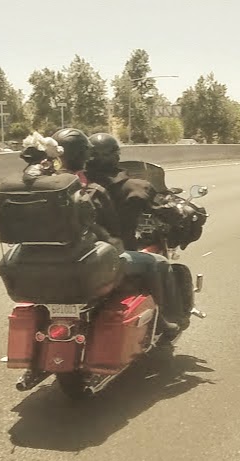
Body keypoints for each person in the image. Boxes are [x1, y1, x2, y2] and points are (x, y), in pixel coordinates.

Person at [85, 132, 186, 333]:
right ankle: (164, 320)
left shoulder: (74, 186)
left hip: (77, 255)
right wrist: (179, 214)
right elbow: (164, 211)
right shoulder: (135, 187)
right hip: (113, 256)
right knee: (159, 263)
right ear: (115, 156)